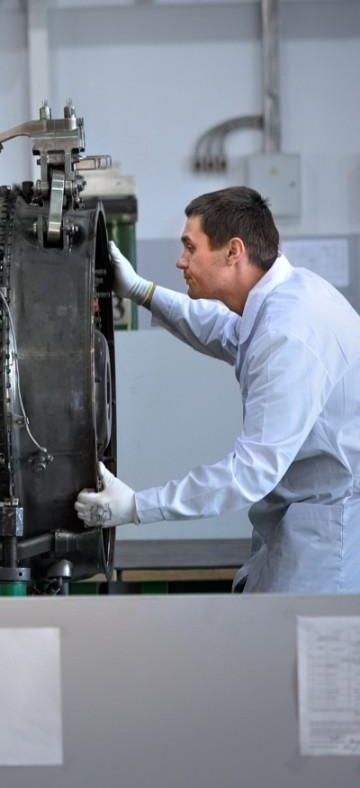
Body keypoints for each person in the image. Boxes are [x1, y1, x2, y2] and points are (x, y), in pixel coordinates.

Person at [78, 187, 360, 593]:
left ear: (233, 251)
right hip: (301, 517)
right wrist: (142, 291)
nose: (181, 261)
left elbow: (250, 472)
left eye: (190, 247)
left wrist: (138, 506)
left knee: (291, 634)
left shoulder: (288, 334)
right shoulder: (286, 297)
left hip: (327, 540)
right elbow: (223, 330)